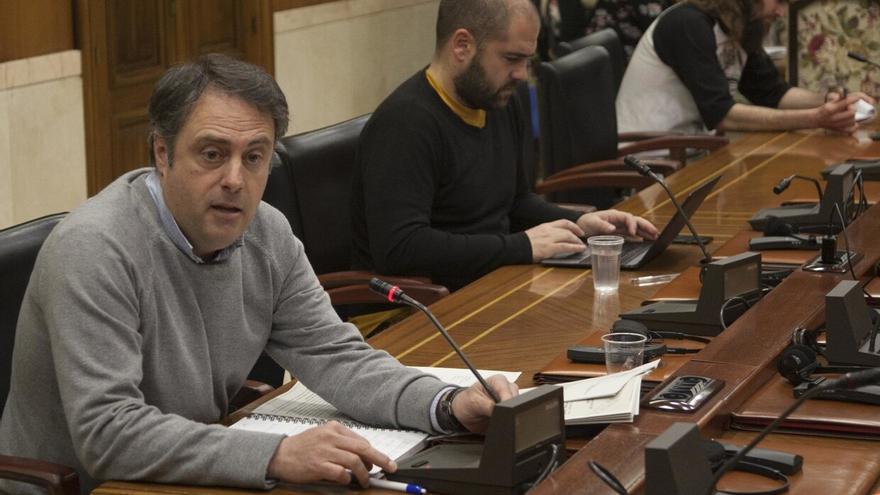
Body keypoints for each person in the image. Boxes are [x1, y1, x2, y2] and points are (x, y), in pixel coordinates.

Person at [0, 54, 517, 495]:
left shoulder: (266, 232)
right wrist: (274, 454)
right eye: (212, 154)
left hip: (189, 474)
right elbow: (108, 434)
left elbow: (335, 356)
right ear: (162, 152)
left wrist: (447, 404)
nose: (235, 179)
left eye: (254, 157)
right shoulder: (95, 248)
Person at [351, 0, 658, 291]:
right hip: (420, 307)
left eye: (527, 60)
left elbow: (515, 202)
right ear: (462, 45)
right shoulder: (405, 123)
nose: (522, 74)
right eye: (511, 59)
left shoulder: (498, 101)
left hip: (492, 282)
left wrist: (582, 224)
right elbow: (400, 248)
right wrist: (521, 246)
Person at [616, 0, 876, 134]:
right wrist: (815, 118)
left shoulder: (742, 28)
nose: (781, 13)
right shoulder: (688, 24)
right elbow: (722, 115)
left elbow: (774, 93)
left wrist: (831, 101)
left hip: (691, 150)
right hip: (650, 157)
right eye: (778, 1)